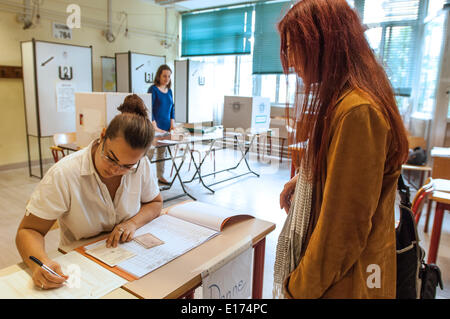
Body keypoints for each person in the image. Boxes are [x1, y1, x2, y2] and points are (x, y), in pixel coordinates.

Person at [274, 0, 409, 299]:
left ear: (324, 44)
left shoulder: (357, 110)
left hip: (345, 281)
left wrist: (297, 289)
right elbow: (357, 181)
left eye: (295, 47)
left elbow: (343, 232)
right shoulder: (350, 97)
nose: (291, 60)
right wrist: (307, 179)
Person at [16, 94, 162, 290]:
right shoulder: (65, 174)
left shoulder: (141, 165)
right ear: (102, 136)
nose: (115, 170)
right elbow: (28, 230)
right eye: (110, 158)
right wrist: (40, 263)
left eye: (127, 166)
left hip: (128, 260)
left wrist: (132, 223)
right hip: (80, 263)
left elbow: (155, 203)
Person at [147, 64, 175, 185]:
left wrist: (172, 124)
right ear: (159, 76)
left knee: (162, 154)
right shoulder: (153, 89)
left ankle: (160, 176)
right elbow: (149, 108)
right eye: (164, 76)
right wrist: (154, 126)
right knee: (149, 154)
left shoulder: (170, 91)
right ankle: (144, 178)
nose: (167, 78)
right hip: (154, 128)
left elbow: (172, 108)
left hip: (165, 127)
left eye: (169, 76)